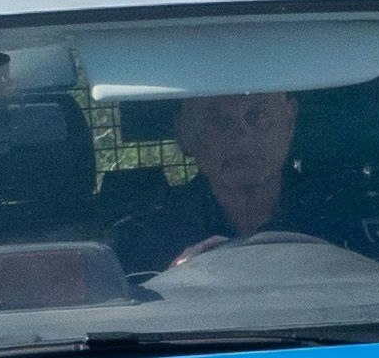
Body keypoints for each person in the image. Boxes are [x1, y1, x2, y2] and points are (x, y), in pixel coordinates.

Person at [109, 90, 319, 273]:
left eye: (259, 116)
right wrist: (174, 282)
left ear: (289, 121)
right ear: (185, 133)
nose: (241, 136)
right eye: (219, 120)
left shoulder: (338, 215)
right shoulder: (145, 236)